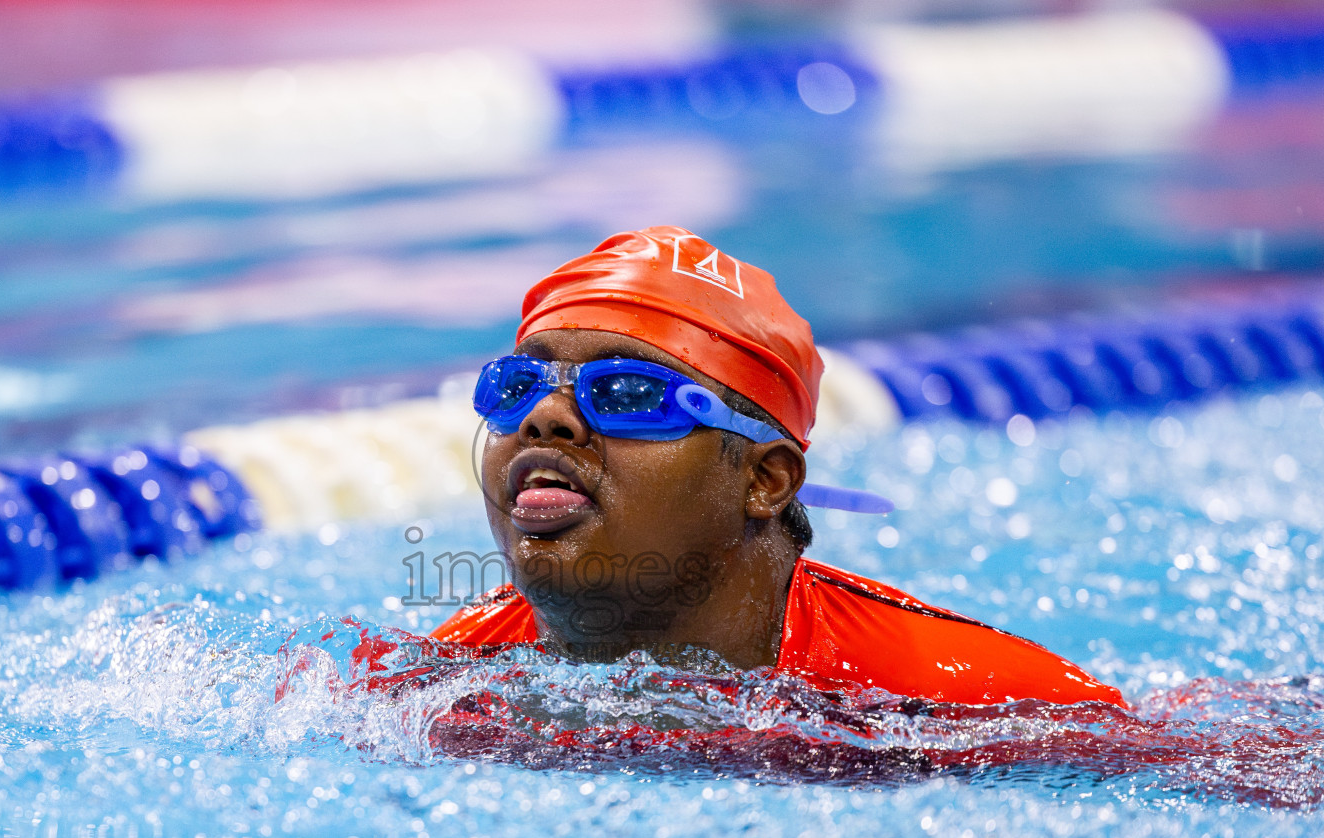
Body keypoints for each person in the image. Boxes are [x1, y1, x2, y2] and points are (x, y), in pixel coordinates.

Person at [431, 225, 1122, 707]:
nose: (543, 419)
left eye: (629, 394)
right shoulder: (435, 687)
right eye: (516, 387)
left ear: (765, 480)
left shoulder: (959, 695)